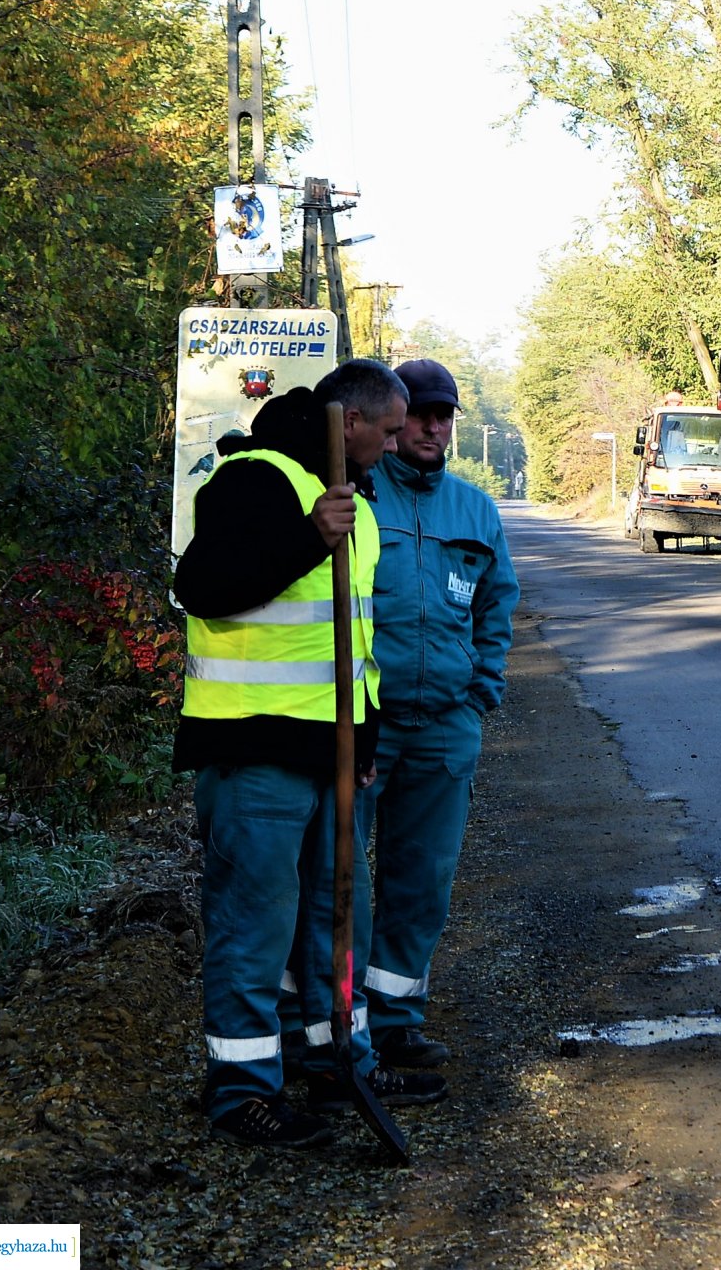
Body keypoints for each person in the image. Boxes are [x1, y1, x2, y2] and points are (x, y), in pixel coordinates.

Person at [175, 360, 444, 1151]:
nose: (397, 445)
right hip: (255, 747)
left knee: (335, 918)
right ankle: (242, 1092)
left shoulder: (347, 494)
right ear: (350, 422)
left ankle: (335, 1061)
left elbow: (350, 641)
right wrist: (307, 538)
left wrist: (364, 741)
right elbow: (203, 586)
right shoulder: (255, 479)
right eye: (390, 430)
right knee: (254, 926)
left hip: (326, 749)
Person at [358, 359, 520, 1071]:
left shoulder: (475, 510)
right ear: (394, 422)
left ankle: (395, 1019)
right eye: (421, 412)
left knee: (421, 879)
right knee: (339, 877)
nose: (433, 425)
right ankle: (336, 1025)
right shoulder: (357, 496)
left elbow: (498, 603)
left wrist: (481, 691)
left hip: (446, 725)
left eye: (444, 414)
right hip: (361, 725)